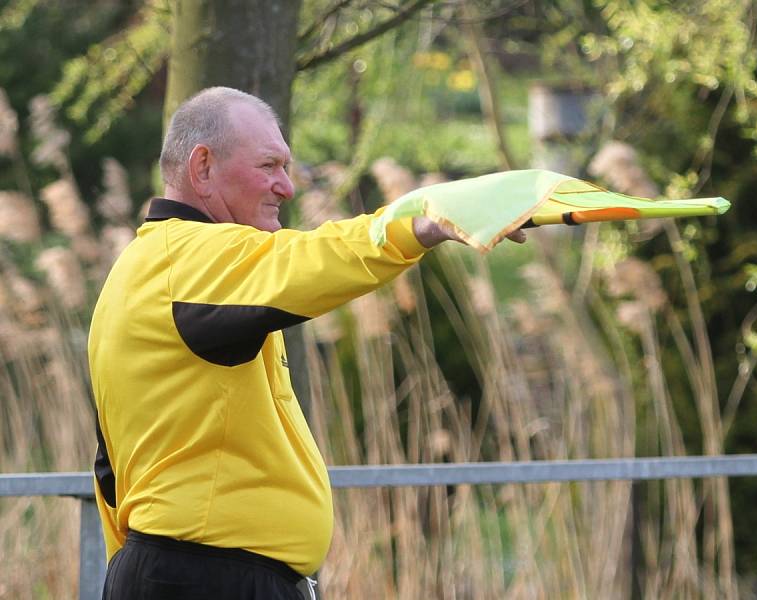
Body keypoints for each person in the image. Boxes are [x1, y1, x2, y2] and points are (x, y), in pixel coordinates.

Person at [89, 86, 525, 600]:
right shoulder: (188, 258)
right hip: (205, 578)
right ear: (202, 167)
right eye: (269, 165)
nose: (286, 187)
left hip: (186, 573)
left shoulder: (159, 270)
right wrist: (423, 224)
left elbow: (110, 470)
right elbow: (310, 261)